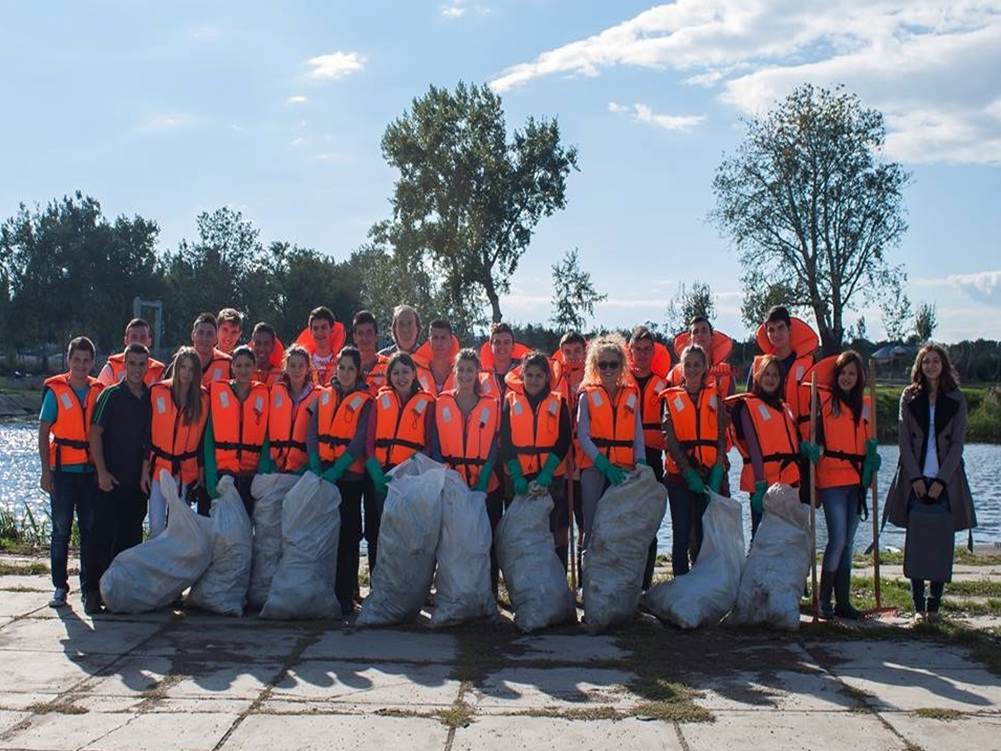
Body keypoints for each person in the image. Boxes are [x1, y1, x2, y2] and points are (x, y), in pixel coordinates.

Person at [883, 344, 977, 624]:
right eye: (926, 361)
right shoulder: (909, 395)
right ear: (920, 366)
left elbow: (958, 443)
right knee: (917, 542)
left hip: (945, 480)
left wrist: (941, 480)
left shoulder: (956, 398)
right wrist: (915, 477)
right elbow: (904, 440)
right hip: (916, 479)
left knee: (940, 543)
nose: (931, 366)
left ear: (943, 365)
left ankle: (934, 607)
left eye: (936, 361)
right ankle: (917, 607)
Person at [805, 351, 878, 620]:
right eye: (843, 373)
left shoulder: (865, 406)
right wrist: (812, 450)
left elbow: (868, 441)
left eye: (852, 373)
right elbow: (816, 439)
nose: (847, 378)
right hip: (832, 479)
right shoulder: (825, 403)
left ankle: (843, 601)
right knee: (837, 539)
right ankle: (824, 599)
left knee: (848, 542)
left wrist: (872, 460)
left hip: (857, 480)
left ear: (859, 378)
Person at [38, 336, 104, 610]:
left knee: (90, 530)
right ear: (68, 360)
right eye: (76, 359)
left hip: (89, 471)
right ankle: (59, 586)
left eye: (86, 360)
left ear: (93, 362)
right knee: (61, 530)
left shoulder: (98, 391)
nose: (81, 365)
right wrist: (46, 472)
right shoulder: (56, 391)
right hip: (62, 471)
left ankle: (89, 588)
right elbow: (44, 432)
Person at [88, 343, 152, 614]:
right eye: (132, 364)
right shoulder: (110, 395)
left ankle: (121, 593)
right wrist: (102, 472)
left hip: (135, 483)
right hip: (109, 479)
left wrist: (145, 475)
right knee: (101, 537)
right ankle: (92, 591)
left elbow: (150, 442)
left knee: (130, 540)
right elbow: (94, 433)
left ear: (147, 367)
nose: (137, 369)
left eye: (142, 364)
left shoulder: (150, 399)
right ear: (123, 365)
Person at [431, 349, 502, 589]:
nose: (465, 375)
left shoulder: (491, 405)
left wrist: (484, 478)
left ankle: (488, 592)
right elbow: (435, 443)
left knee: (486, 540)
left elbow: (494, 445)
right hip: (451, 484)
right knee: (452, 541)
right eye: (461, 369)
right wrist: (448, 473)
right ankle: (453, 592)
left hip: (485, 485)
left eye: (470, 370)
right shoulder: (441, 402)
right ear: (454, 371)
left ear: (478, 373)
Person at [311, 346, 373, 613]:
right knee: (325, 534)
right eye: (342, 367)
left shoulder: (366, 401)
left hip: (349, 476)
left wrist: (340, 467)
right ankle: (324, 591)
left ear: (358, 372)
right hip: (324, 473)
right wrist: (315, 462)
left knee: (349, 535)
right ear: (336, 369)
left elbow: (360, 440)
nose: (345, 373)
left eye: (351, 368)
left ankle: (346, 595)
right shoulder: (323, 395)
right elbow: (312, 432)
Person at [499, 352, 573, 569]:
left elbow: (564, 439)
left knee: (552, 529)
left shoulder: (559, 402)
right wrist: (515, 474)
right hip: (517, 477)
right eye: (529, 375)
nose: (533, 380)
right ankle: (520, 579)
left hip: (550, 477)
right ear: (522, 376)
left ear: (547, 377)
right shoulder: (510, 401)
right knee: (518, 531)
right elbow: (505, 439)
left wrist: (548, 472)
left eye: (539, 375)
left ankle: (555, 577)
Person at [576, 334, 644, 563]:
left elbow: (637, 436)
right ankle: (588, 577)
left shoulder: (631, 395)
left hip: (624, 472)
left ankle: (618, 577)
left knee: (621, 527)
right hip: (595, 469)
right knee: (591, 525)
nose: (608, 369)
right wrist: (603, 464)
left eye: (613, 364)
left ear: (621, 365)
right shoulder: (586, 396)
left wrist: (641, 462)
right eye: (602, 364)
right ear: (594, 366)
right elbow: (583, 436)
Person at [661, 344, 727, 577]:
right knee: (681, 533)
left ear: (705, 367)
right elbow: (670, 438)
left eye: (697, 365)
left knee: (703, 533)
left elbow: (721, 436)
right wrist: (688, 472)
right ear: (680, 367)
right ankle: (680, 581)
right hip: (680, 477)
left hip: (708, 475)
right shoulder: (671, 399)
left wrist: (718, 469)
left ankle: (701, 582)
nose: (691, 369)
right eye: (687, 365)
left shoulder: (714, 398)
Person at [365, 351, 435, 561]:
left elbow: (429, 444)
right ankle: (378, 577)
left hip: (410, 479)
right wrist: (375, 472)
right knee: (379, 531)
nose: (401, 377)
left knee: (407, 535)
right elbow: (369, 439)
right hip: (381, 476)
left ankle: (407, 579)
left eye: (405, 372)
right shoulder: (380, 400)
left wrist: (411, 474)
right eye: (395, 373)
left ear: (414, 374)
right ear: (389, 376)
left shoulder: (427, 403)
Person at [728, 354, 803, 537]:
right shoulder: (748, 407)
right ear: (758, 376)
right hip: (763, 483)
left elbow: (790, 442)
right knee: (761, 535)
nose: (771, 379)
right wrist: (760, 484)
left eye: (775, 375)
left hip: (787, 481)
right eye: (767, 374)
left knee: (785, 536)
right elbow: (754, 447)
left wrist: (805, 450)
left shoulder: (785, 409)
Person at [145, 347, 209, 535]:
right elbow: (146, 435)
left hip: (185, 470)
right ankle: (157, 554)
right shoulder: (157, 391)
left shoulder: (204, 399)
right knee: (156, 525)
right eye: (183, 367)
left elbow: (203, 440)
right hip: (159, 468)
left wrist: (202, 470)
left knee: (179, 527)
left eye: (191, 369)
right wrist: (144, 470)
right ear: (176, 367)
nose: (186, 373)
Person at [204, 345, 270, 517]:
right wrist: (210, 472)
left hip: (251, 474)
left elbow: (265, 435)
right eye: (239, 365)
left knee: (247, 524)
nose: (243, 370)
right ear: (232, 367)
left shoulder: (263, 395)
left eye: (247, 365)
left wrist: (264, 464)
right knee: (222, 527)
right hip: (224, 475)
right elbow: (209, 437)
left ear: (254, 367)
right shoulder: (220, 394)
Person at [629, 326, 670, 587]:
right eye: (638, 349)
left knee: (649, 520)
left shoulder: (663, 385)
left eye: (647, 350)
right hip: (626, 457)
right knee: (628, 519)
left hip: (653, 457)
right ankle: (628, 579)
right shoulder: (621, 383)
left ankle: (645, 583)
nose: (643, 355)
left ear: (653, 352)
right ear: (631, 351)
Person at [749, 305, 819, 433]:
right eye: (771, 330)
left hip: (801, 436)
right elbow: (748, 406)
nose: (776, 334)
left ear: (789, 329)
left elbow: (820, 406)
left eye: (780, 327)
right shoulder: (758, 366)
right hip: (768, 434)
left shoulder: (809, 365)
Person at [264, 345, 317, 474]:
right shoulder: (275, 392)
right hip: (276, 466)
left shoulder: (317, 396)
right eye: (292, 366)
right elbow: (266, 429)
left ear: (308, 368)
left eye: (301, 366)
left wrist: (311, 465)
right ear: (286, 368)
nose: (296, 370)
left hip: (304, 467)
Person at [670, 316, 736, 400]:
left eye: (704, 331)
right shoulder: (675, 374)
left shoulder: (726, 374)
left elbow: (732, 406)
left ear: (712, 337)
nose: (700, 335)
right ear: (690, 339)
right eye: (695, 332)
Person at [163, 312, 232, 385]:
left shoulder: (228, 365)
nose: (204, 338)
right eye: (201, 333)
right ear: (193, 335)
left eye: (210, 334)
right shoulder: (179, 361)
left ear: (216, 338)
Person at [96, 318, 165, 387]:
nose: (138, 341)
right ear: (126, 340)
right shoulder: (111, 368)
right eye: (134, 337)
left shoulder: (158, 372)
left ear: (149, 341)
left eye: (142, 337)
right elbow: (98, 391)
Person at [415, 318, 459, 395]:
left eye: (443, 338)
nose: (439, 343)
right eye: (435, 338)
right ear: (429, 341)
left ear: (451, 341)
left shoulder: (461, 373)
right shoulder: (415, 371)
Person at [352, 310, 389, 390]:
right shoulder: (347, 367)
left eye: (369, 333)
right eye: (361, 333)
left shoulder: (389, 366)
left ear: (376, 336)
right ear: (355, 338)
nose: (365, 338)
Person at [251, 322, 284, 387]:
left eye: (266, 344)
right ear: (252, 344)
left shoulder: (281, 376)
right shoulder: (243, 372)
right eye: (258, 343)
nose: (261, 349)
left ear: (273, 347)